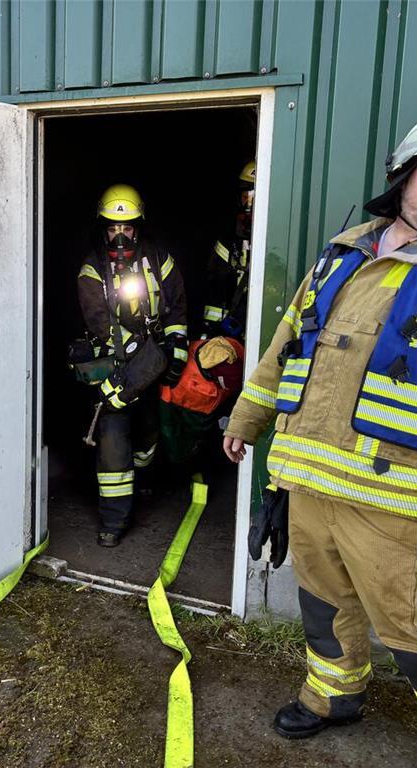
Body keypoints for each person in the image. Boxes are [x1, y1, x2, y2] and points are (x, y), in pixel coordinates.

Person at [222, 114, 417, 767]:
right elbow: (287, 346)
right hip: (308, 477)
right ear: (402, 178)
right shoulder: (342, 253)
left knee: (415, 628)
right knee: (321, 603)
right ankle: (333, 695)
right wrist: (245, 419)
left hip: (397, 494)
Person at [77, 184, 188, 547]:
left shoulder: (159, 260)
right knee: (113, 440)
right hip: (117, 369)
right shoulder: (92, 271)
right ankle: (113, 522)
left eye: (126, 227)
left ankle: (145, 483)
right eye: (112, 227)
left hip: (154, 366)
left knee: (149, 434)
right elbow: (100, 323)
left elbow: (176, 307)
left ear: (137, 226)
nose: (120, 235)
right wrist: (145, 355)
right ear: (103, 228)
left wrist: (176, 350)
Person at [201, 160, 255, 340]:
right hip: (230, 336)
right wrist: (210, 335)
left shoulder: (278, 242)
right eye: (245, 195)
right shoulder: (227, 241)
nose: (249, 202)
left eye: (255, 196)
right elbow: (214, 292)